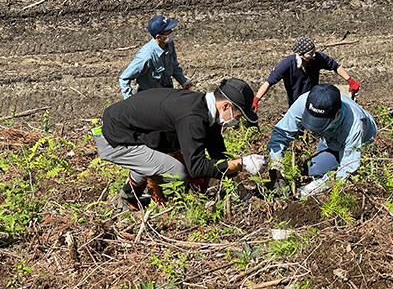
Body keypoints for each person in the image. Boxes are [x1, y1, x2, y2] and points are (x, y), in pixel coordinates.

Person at [93, 78, 268, 211]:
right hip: (116, 139)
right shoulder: (192, 117)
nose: (238, 121)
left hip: (138, 133)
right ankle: (173, 211)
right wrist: (242, 164)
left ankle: (128, 198)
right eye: (238, 115)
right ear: (226, 106)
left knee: (163, 159)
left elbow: (218, 155)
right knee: (175, 171)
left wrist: (243, 193)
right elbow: (197, 167)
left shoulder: (207, 113)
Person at [267, 84, 377, 197]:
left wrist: (317, 187)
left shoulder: (355, 126)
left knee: (343, 180)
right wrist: (277, 160)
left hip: (361, 144)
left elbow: (349, 169)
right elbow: (281, 132)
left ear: (337, 114)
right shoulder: (305, 102)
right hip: (330, 139)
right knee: (310, 169)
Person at [252, 36, 360, 111]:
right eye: (310, 53)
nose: (313, 55)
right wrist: (256, 99)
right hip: (295, 102)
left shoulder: (317, 58)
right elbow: (269, 82)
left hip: (313, 99)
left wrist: (350, 80)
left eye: (314, 51)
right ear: (300, 54)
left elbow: (335, 66)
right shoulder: (287, 64)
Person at [119, 15, 193, 99]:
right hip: (150, 97)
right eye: (168, 31)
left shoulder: (169, 44)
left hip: (167, 90)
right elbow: (124, 78)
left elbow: (173, 65)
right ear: (158, 37)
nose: (172, 32)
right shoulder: (146, 56)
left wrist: (183, 81)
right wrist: (129, 100)